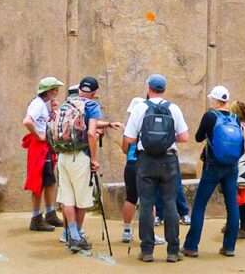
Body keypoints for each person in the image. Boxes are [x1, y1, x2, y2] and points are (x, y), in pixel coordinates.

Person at [124, 74, 189, 263]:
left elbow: (129, 139)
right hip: (168, 161)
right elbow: (184, 137)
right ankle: (173, 251)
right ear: (164, 89)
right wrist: (168, 138)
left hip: (145, 161)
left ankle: (147, 251)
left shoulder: (140, 108)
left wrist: (148, 139)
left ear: (148, 88)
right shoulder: (173, 108)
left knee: (145, 204)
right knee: (170, 204)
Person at [56, 76, 124, 251]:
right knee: (83, 200)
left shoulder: (68, 103)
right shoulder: (92, 105)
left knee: (67, 198)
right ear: (94, 92)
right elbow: (92, 133)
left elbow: (86, 124)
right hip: (80, 157)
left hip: (63, 155)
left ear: (80, 89)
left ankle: (72, 236)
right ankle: (77, 237)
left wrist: (108, 124)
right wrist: (93, 159)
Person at [182, 85, 242, 258]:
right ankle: (229, 247)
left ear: (215, 100)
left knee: (200, 205)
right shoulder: (235, 118)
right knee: (232, 206)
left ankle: (191, 246)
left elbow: (198, 137)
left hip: (213, 165)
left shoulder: (210, 116)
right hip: (231, 166)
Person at [22, 76, 65, 231]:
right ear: (48, 91)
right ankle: (36, 217)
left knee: (49, 181)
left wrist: (53, 111)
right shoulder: (38, 104)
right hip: (39, 147)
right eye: (54, 89)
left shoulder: (43, 105)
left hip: (44, 147)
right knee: (38, 182)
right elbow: (27, 121)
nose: (57, 92)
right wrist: (39, 135)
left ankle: (50, 213)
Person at [121, 96, 165, 246]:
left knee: (130, 197)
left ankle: (127, 232)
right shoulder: (151, 125)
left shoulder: (129, 127)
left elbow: (124, 148)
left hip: (131, 164)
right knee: (149, 199)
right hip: (146, 164)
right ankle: (150, 233)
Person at [228, 100, 245, 239]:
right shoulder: (244, 125)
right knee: (234, 197)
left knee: (241, 199)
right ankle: (233, 223)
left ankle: (244, 228)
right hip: (239, 163)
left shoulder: (241, 126)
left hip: (240, 165)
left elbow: (238, 144)